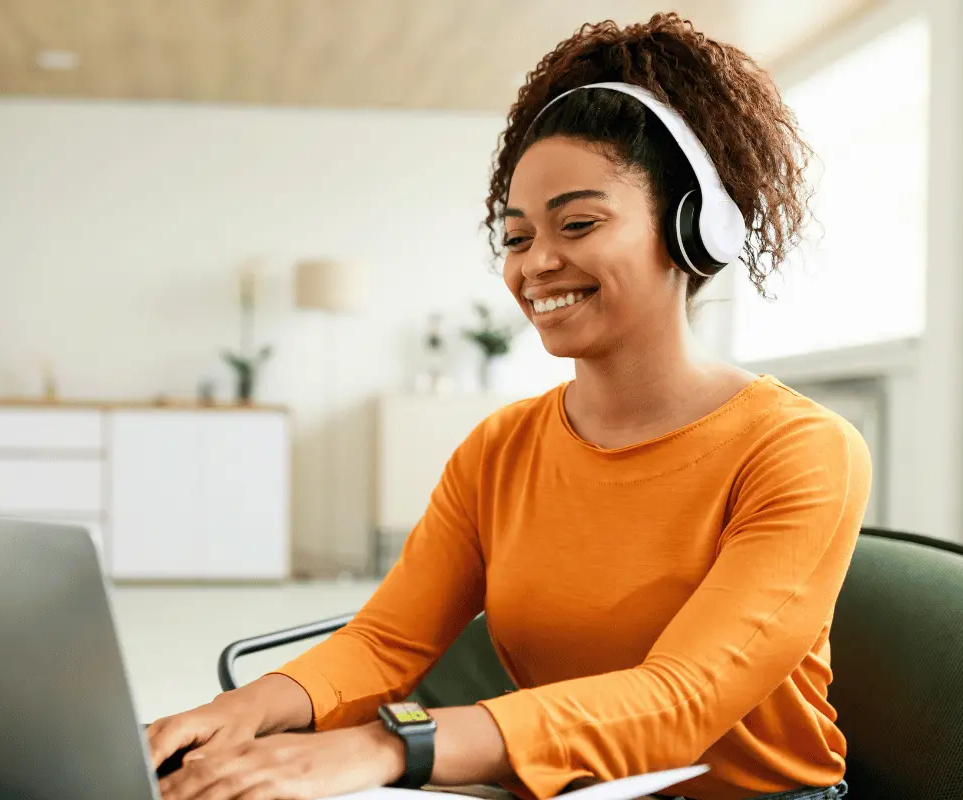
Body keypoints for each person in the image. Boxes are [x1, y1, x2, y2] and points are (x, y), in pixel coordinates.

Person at [147, 12, 870, 800]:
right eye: (518, 237)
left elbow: (680, 700)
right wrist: (237, 713)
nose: (537, 264)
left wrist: (396, 745)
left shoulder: (800, 448)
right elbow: (387, 641)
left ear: (693, 231)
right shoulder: (502, 446)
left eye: (579, 224)